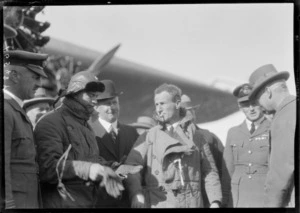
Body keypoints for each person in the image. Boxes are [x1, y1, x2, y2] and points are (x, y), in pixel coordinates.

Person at [34, 71, 124, 208]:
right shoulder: (51, 122)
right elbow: (48, 167)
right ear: (75, 93)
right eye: (91, 95)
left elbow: (90, 160)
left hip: (86, 202)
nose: (95, 101)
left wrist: (114, 167)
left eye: (96, 96)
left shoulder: (86, 127)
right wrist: (88, 170)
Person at [123, 83, 222, 208]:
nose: (158, 109)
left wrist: (215, 201)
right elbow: (130, 167)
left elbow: (209, 171)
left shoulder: (197, 137)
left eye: (163, 104)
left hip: (192, 203)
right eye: (156, 104)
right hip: (159, 203)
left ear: (177, 103)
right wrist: (136, 194)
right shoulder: (149, 136)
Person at [3, 49, 48, 208]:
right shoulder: (5, 110)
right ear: (14, 76)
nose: (40, 84)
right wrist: (6, 204)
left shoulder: (15, 110)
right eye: (35, 77)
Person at [248, 64, 296, 207]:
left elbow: (280, 174)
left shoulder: (283, 118)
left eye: (258, 99)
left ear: (268, 92)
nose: (259, 105)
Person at [88, 79, 139, 208]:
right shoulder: (88, 131)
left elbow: (138, 164)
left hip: (128, 202)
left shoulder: (131, 132)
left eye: (115, 103)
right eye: (107, 103)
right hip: (99, 201)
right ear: (96, 106)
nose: (112, 107)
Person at [221, 83, 271, 207]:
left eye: (254, 103)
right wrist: (225, 200)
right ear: (239, 107)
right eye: (245, 105)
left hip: (264, 197)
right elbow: (228, 170)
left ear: (261, 103)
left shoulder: (273, 128)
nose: (251, 109)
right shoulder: (233, 132)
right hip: (238, 199)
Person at [181, 94, 224, 208]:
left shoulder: (209, 137)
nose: (189, 114)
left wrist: (217, 201)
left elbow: (220, 170)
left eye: (191, 111)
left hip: (206, 199)